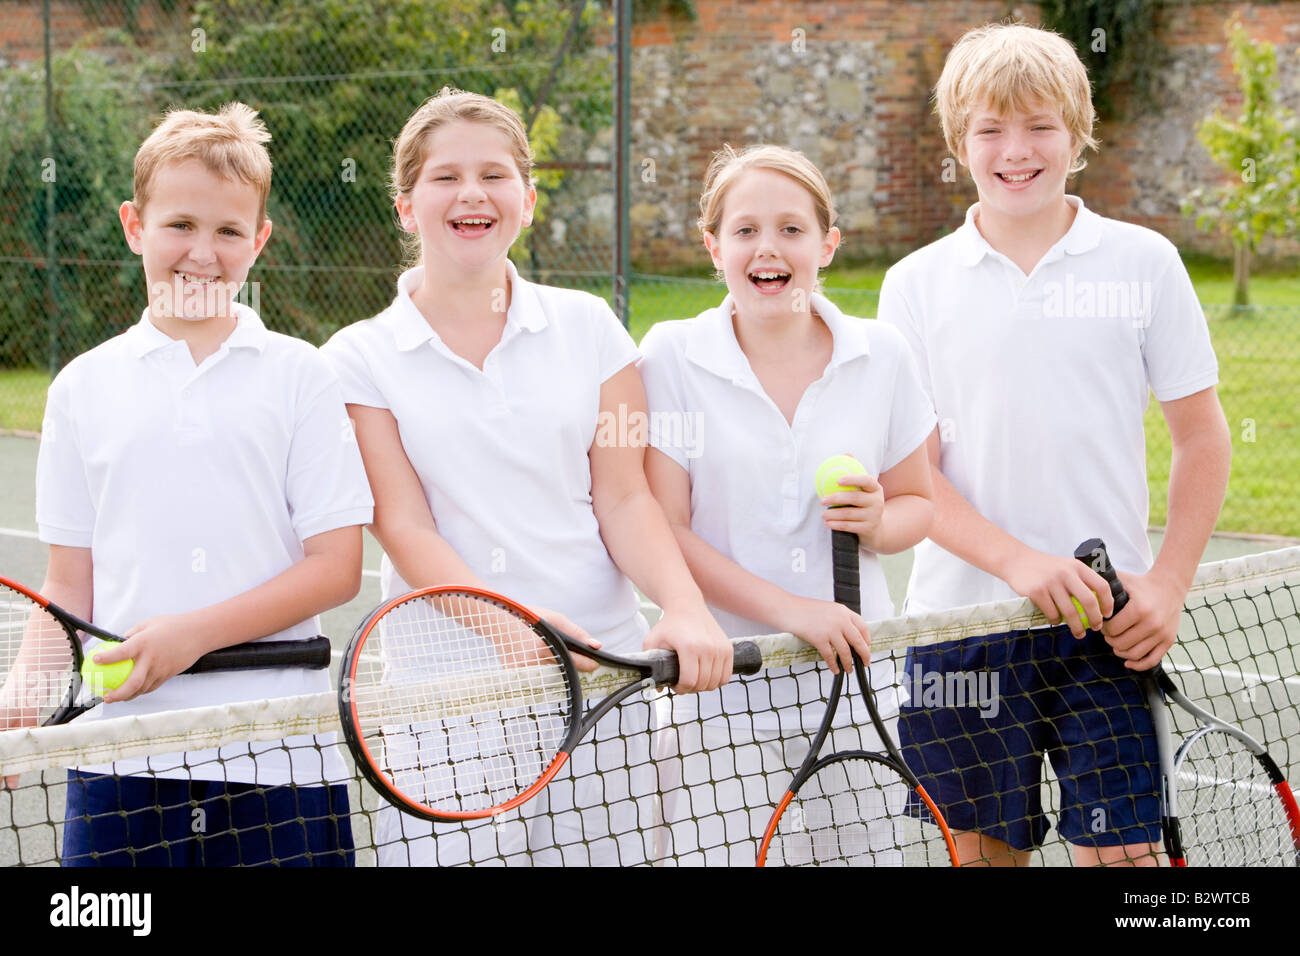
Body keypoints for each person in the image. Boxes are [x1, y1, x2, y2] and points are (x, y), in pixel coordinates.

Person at [320, 88, 733, 866]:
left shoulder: (591, 328)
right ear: (407, 207)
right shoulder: (354, 358)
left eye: (494, 175)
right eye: (445, 178)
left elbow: (624, 495)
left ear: (528, 200)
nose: (471, 193)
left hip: (602, 681)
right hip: (446, 697)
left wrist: (684, 606)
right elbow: (405, 527)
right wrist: (520, 632)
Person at [878, 22, 1231, 866]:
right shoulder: (914, 285)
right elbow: (915, 471)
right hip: (959, 627)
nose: (1016, 150)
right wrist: (1018, 564)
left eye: (1040, 125)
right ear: (959, 141)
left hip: (1105, 626)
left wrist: (1170, 585)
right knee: (985, 858)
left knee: (1126, 861)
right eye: (990, 129)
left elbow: (1203, 436)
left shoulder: (1145, 262)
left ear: (1078, 132)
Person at [17, 103, 374, 865]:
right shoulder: (81, 388)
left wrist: (190, 636)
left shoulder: (304, 376)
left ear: (260, 241)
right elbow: (67, 586)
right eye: (179, 225)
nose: (202, 254)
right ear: (133, 225)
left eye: (228, 232)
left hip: (278, 756)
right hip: (120, 759)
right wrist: (20, 698)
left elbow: (336, 568)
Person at [640, 144, 935, 865]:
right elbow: (666, 530)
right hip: (718, 689)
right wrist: (794, 614)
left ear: (827, 243)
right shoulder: (670, 355)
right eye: (744, 231)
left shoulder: (883, 354)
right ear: (714, 247)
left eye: (791, 229)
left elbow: (920, 505)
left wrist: (879, 520)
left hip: (856, 687)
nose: (768, 249)